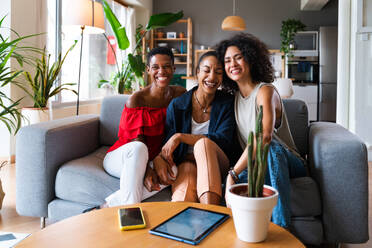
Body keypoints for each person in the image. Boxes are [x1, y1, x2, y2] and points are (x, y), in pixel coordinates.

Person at [215, 33, 307, 227]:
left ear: (250, 58)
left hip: (288, 161)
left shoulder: (266, 91)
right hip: (256, 165)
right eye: (227, 60)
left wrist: (233, 173)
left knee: (270, 147)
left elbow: (264, 137)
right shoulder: (234, 98)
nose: (233, 64)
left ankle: (283, 230)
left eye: (238, 57)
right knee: (229, 187)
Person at [101, 47, 186, 208]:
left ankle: (108, 205)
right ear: (148, 70)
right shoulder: (137, 99)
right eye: (155, 67)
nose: (161, 71)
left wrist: (159, 159)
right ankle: (130, 213)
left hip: (154, 158)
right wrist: (147, 170)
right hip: (124, 157)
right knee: (139, 148)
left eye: (166, 66)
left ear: (174, 69)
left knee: (174, 172)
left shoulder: (180, 94)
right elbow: (136, 142)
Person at [159, 51, 236, 205]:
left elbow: (224, 140)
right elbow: (168, 147)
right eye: (206, 70)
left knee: (204, 144)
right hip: (186, 163)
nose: (212, 77)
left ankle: (210, 213)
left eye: (218, 72)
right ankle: (182, 224)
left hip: (218, 163)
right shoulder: (177, 105)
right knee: (183, 196)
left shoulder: (228, 103)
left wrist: (181, 137)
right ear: (197, 73)